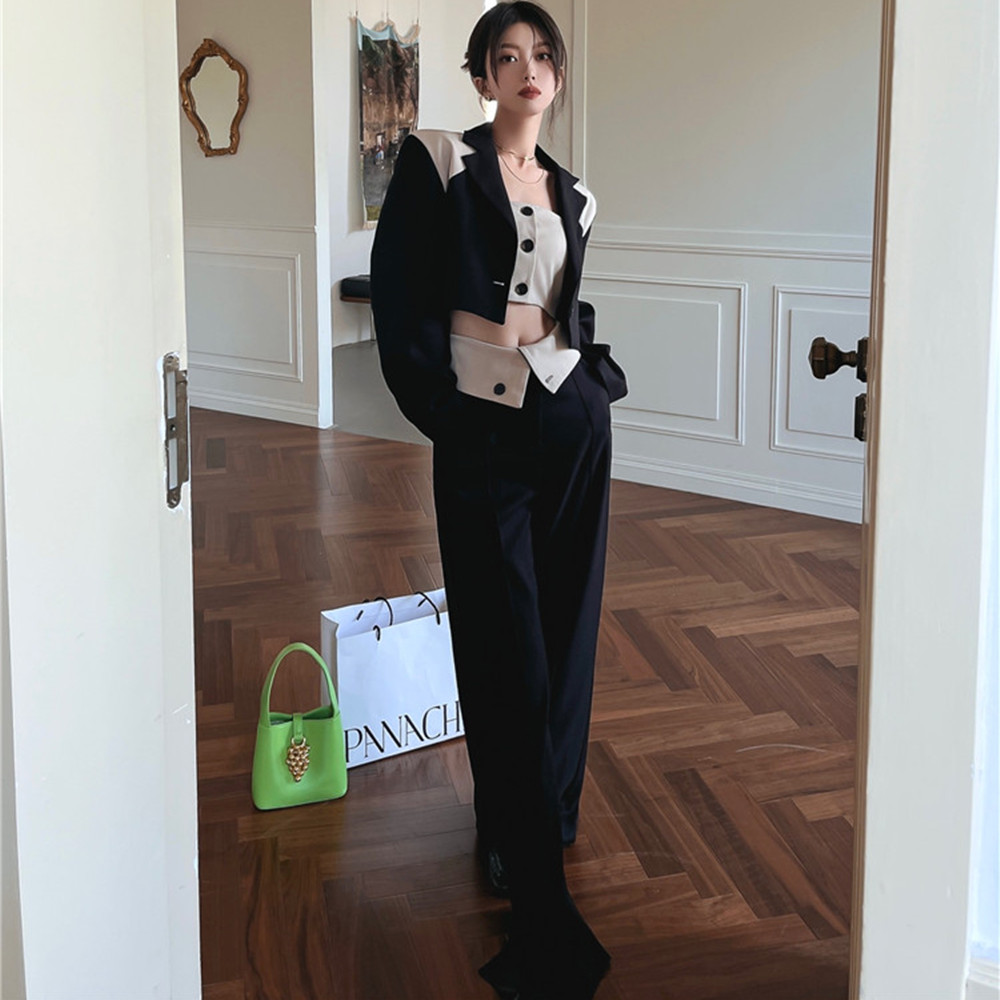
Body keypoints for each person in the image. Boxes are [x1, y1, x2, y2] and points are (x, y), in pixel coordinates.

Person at [370, 3, 627, 996]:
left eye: (542, 55)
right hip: (480, 428)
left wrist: (592, 381)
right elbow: (402, 302)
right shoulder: (438, 162)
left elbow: (562, 307)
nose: (528, 69)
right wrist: (443, 413)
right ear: (482, 76)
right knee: (500, 636)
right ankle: (512, 831)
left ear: (557, 75)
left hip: (570, 423)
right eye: (506, 56)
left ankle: (547, 815)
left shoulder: (578, 195)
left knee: (567, 626)